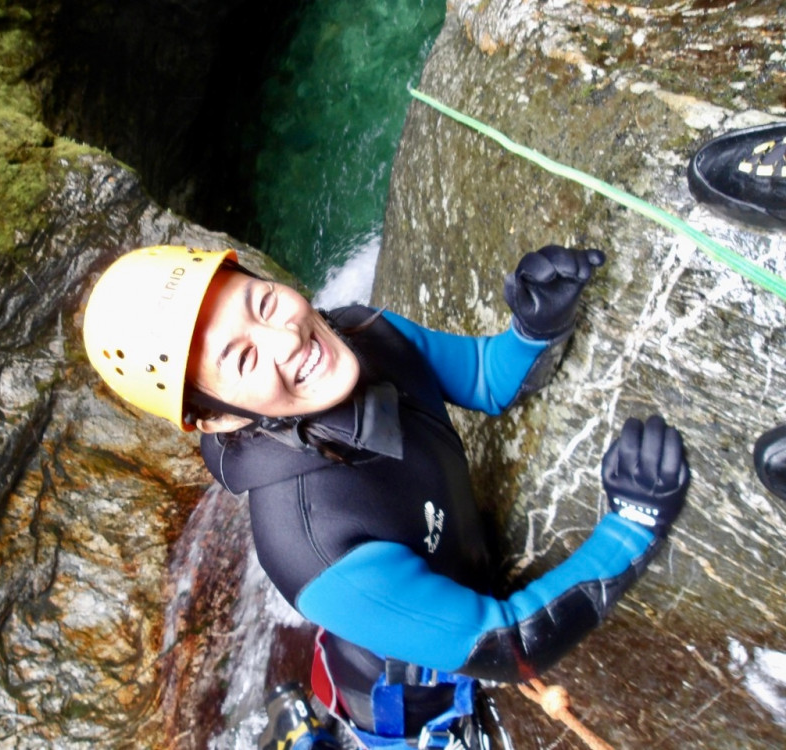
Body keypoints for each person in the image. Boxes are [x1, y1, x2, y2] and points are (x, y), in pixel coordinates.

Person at [82, 244, 691, 748]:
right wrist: (631, 527)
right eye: (242, 359)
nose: (286, 339)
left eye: (263, 302)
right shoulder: (312, 548)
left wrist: (536, 327)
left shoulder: (362, 332)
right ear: (215, 419)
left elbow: (482, 376)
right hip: (409, 701)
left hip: (401, 609)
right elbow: (508, 646)